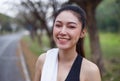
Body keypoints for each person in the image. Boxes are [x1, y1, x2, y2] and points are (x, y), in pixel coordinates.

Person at [34, 5, 101, 81]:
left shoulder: (90, 71)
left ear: (82, 32)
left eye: (71, 26)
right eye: (58, 25)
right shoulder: (43, 60)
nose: (62, 32)